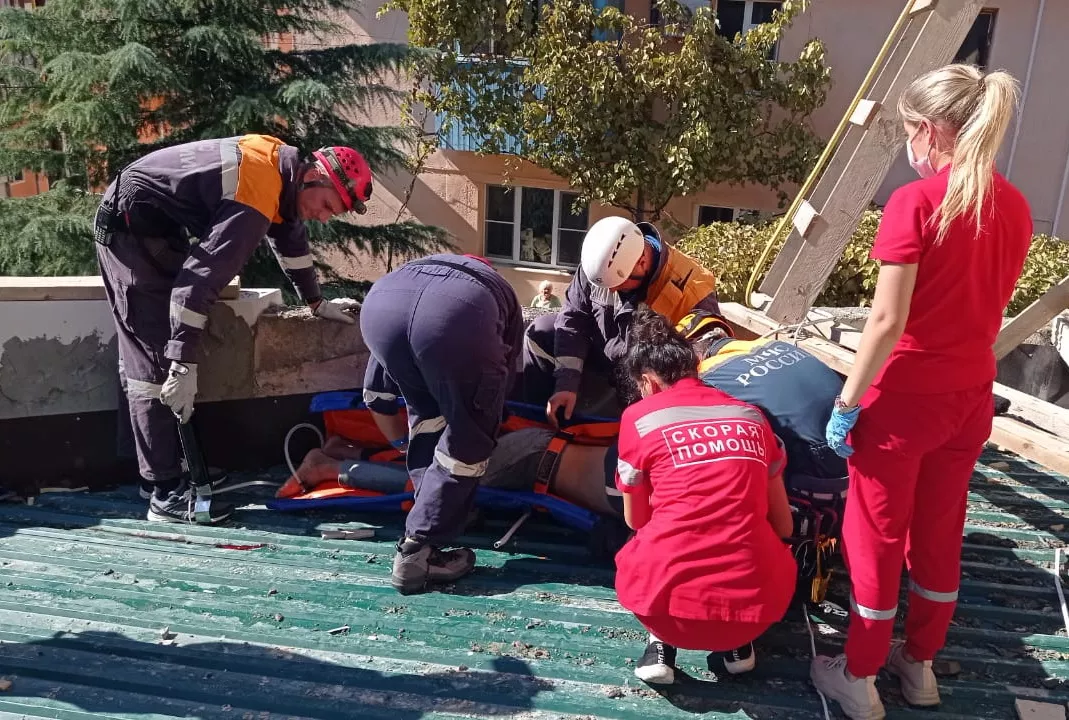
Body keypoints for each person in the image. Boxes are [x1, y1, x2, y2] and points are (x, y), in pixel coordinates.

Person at [810, 65, 1031, 720]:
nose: (908, 143)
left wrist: (846, 404)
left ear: (929, 130)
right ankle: (921, 664)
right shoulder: (1013, 206)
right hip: (969, 398)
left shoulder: (915, 203)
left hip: (903, 403)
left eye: (909, 130)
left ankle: (859, 676)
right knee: (939, 533)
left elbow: (885, 322)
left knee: (875, 539)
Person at [93, 135, 370, 525]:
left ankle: (159, 468)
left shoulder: (281, 172)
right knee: (153, 363)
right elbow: (197, 284)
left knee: (157, 354)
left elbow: (290, 238)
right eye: (327, 205)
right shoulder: (254, 196)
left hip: (155, 227)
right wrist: (182, 363)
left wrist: (316, 303)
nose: (324, 217)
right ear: (313, 178)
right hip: (128, 234)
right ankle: (163, 492)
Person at [613, 308, 796, 685]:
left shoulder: (639, 418)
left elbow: (636, 519)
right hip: (757, 610)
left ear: (647, 381)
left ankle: (659, 643)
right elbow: (784, 525)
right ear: (696, 366)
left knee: (639, 540)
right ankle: (739, 646)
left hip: (668, 614)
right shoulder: (752, 416)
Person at [359, 253, 524, 595]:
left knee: (425, 413)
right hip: (460, 318)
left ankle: (442, 512)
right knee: (469, 441)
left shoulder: (415, 274)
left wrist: (401, 445)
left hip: (380, 304)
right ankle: (417, 550)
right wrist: (483, 423)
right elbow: (498, 388)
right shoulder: (494, 291)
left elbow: (376, 392)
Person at [517, 216, 721, 422]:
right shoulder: (601, 264)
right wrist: (566, 383)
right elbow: (574, 319)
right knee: (541, 330)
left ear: (642, 262)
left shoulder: (692, 289)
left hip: (647, 376)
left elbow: (701, 360)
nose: (612, 290)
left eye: (619, 283)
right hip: (602, 355)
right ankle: (541, 423)